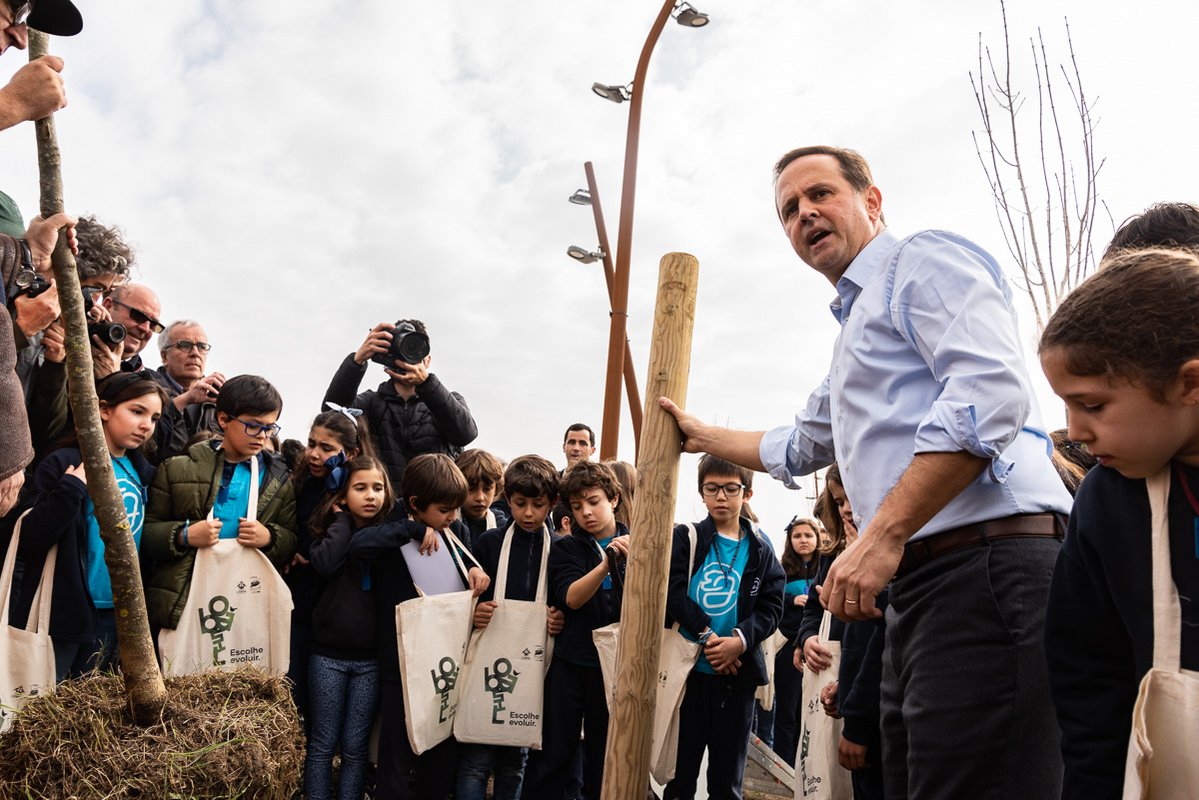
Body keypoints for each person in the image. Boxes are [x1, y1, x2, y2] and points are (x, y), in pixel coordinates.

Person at [661, 145, 1072, 799]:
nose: (805, 214)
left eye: (820, 194)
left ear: (871, 201)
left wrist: (878, 536)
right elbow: (800, 443)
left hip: (987, 571)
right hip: (917, 587)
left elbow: (988, 394)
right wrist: (700, 434)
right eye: (788, 209)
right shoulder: (853, 332)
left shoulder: (920, 263)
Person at [1039, 248, 1199, 797]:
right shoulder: (1108, 501)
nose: (1075, 431)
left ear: (1190, 384)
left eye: (1093, 406)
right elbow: (1088, 679)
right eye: (1065, 405)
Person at [9, 372, 164, 680]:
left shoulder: (144, 473)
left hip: (117, 615)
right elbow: (29, 538)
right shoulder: (64, 461)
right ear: (104, 409)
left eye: (155, 417)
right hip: (63, 615)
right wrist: (70, 488)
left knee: (92, 712)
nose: (147, 424)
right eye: (137, 411)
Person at [349, 453, 486, 800]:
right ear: (414, 503)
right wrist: (411, 529)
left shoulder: (456, 529)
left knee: (441, 753)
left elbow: (462, 572)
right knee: (396, 755)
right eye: (444, 510)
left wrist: (474, 576)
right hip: (402, 664)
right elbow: (358, 547)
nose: (453, 517)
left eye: (455, 509)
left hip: (445, 662)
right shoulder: (393, 526)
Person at [663, 455, 784, 800]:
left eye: (731, 489)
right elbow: (671, 592)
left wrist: (739, 641)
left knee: (727, 779)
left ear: (747, 493)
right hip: (689, 675)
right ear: (701, 492)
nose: (721, 497)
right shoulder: (687, 538)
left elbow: (771, 606)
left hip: (737, 680)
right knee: (679, 775)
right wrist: (709, 637)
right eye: (712, 488)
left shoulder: (761, 547)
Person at [141, 374, 297, 634]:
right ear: (223, 419)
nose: (262, 436)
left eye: (270, 428)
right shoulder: (176, 468)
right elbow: (145, 534)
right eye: (253, 426)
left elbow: (291, 539)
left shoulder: (278, 479)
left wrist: (270, 537)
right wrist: (184, 535)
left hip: (245, 603)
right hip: (183, 601)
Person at [521, 460, 627, 800]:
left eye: (593, 501)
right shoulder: (567, 546)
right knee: (554, 755)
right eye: (578, 507)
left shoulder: (639, 542)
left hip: (615, 668)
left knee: (603, 759)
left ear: (613, 498)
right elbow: (571, 598)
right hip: (571, 662)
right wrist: (607, 563)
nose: (587, 513)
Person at [459, 455, 563, 800]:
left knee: (515, 759)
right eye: (520, 504)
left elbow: (566, 600)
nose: (529, 514)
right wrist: (476, 613)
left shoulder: (560, 550)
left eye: (538, 505)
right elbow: (467, 598)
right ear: (508, 499)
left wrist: (559, 617)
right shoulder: (489, 544)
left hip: (533, 666)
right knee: (476, 757)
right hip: (491, 659)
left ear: (553, 503)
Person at [304, 454, 394, 800]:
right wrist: (340, 521)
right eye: (360, 488)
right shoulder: (328, 534)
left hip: (370, 660)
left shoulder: (388, 537)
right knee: (323, 742)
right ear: (342, 496)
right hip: (327, 656)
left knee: (356, 746)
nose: (371, 495)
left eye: (378, 488)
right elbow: (326, 564)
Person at [286, 405, 378, 729]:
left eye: (326, 448)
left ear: (351, 453)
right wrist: (296, 548)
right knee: (293, 690)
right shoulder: (300, 484)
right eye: (311, 444)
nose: (313, 454)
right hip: (299, 604)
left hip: (335, 613)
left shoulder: (356, 494)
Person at [324, 318, 478, 492]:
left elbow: (465, 434)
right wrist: (357, 360)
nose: (406, 357)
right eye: (401, 350)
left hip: (434, 506)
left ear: (427, 360)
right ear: (387, 356)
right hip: (384, 507)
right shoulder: (371, 402)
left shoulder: (448, 400)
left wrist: (426, 384)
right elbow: (331, 416)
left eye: (414, 349)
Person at [771, 514, 821, 765]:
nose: (803, 540)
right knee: (787, 712)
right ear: (790, 540)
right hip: (787, 648)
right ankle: (784, 767)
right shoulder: (780, 570)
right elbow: (771, 602)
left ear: (817, 538)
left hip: (818, 650)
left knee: (812, 712)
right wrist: (791, 600)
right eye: (797, 535)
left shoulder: (826, 568)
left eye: (808, 535)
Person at [456, 448, 510, 542]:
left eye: (487, 489)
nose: (480, 497)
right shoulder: (444, 524)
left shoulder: (504, 528)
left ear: (496, 489)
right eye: (471, 489)